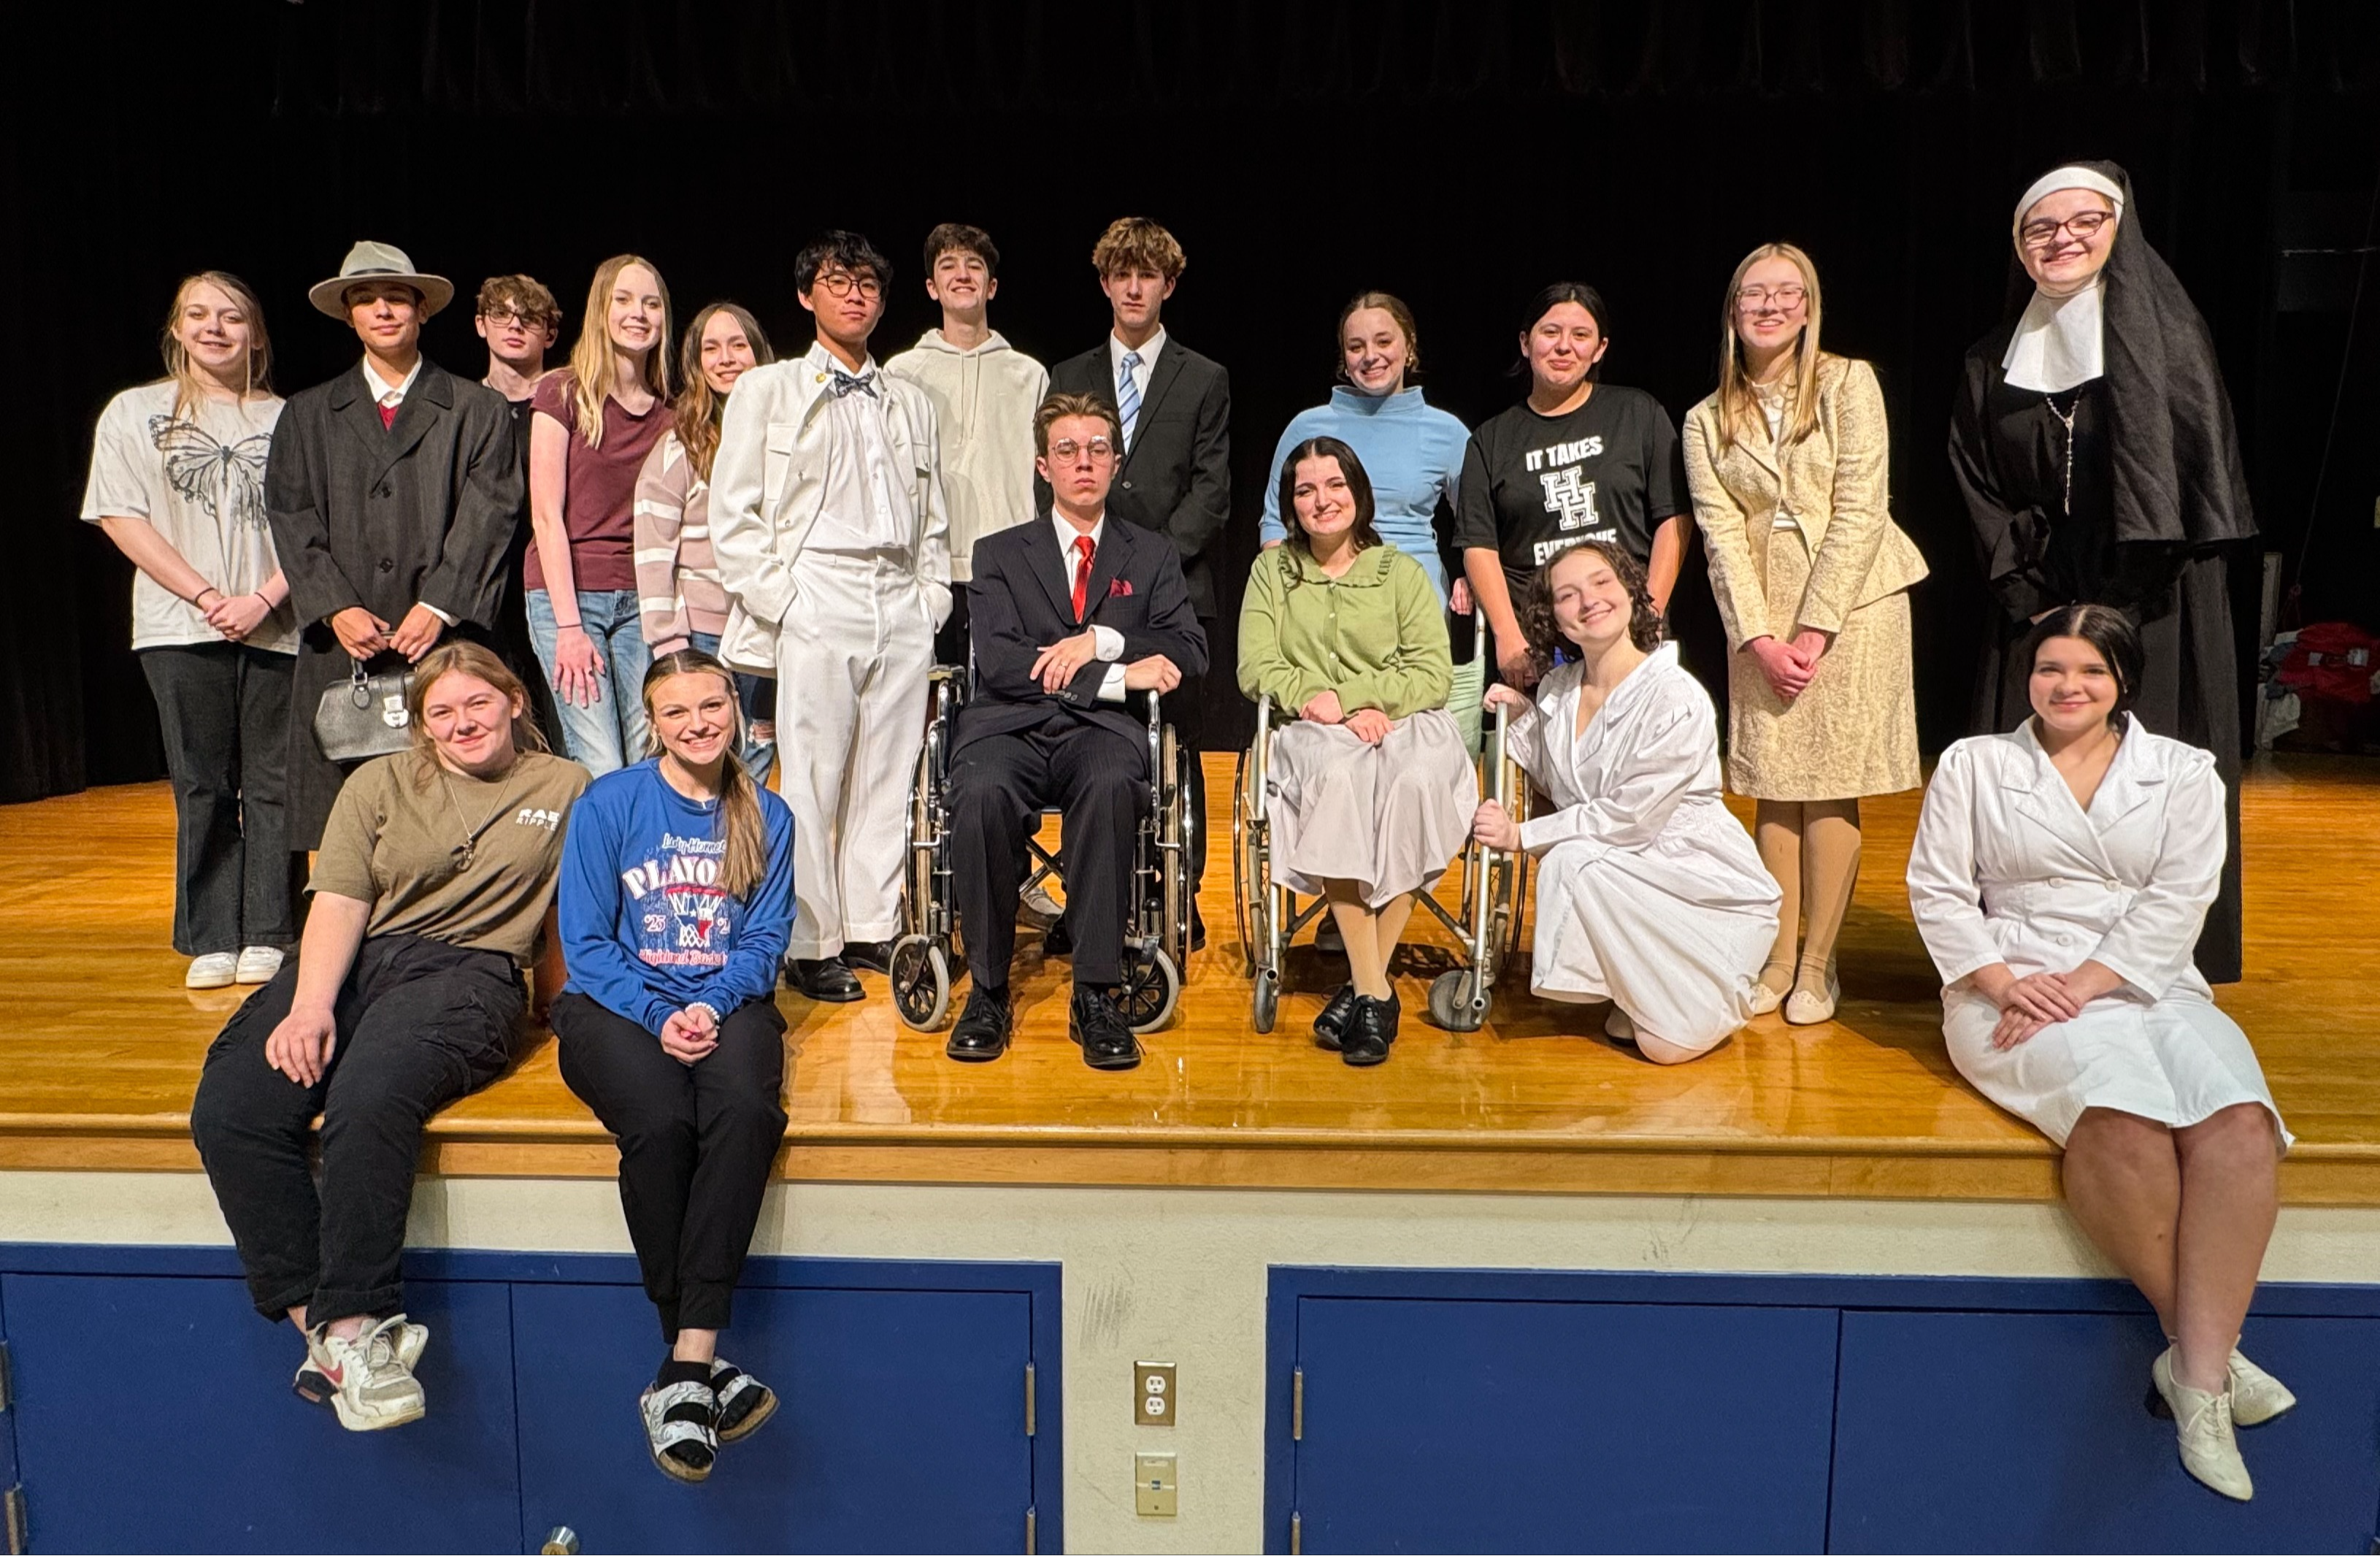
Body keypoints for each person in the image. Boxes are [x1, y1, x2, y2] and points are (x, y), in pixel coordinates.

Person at [1905, 605, 2289, 1502]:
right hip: (2009, 989)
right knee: (2121, 1118)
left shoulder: (2183, 771)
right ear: (2025, 675)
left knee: (2236, 1121)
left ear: (2122, 681)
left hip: (2145, 980)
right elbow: (1937, 890)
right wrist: (2005, 982)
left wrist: (2087, 981)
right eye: (2048, 668)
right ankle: (2209, 1367)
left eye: (2087, 670)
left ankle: (2192, 1369)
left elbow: (2181, 897)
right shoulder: (1973, 764)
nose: (2065, 686)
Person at [189, 643, 587, 1433]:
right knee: (232, 1107)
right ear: (422, 723)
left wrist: (562, 1009)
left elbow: (560, 915)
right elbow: (339, 899)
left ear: (513, 701)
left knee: (370, 1096)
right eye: (441, 711)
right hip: (360, 955)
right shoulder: (377, 782)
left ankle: (352, 1322)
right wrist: (311, 1006)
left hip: (471, 971)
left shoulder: (566, 786)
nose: (461, 722)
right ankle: (334, 1336)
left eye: (477, 704)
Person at [1950, 160, 2255, 985]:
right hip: (2040, 594)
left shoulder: (2166, 337)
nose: (2062, 239)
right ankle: (2015, 948)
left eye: (2084, 221)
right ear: (2018, 249)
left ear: (2117, 232)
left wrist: (2128, 574)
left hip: (2153, 595)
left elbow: (2189, 469)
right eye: (2040, 228)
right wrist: (2031, 587)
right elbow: (1977, 480)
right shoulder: (1991, 361)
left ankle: (2159, 951)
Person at [551, 649, 794, 1482]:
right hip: (614, 1003)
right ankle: (702, 1366)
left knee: (747, 1114)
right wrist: (658, 1012)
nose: (697, 724)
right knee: (659, 1121)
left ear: (733, 707)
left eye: (711, 707)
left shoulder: (766, 811)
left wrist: (711, 1005)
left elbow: (764, 941)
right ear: (651, 721)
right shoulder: (609, 802)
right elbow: (583, 942)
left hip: (726, 1001)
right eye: (676, 712)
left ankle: (685, 1366)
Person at [1682, 243, 1930, 1024]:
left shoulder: (1847, 382)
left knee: (1827, 784)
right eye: (1754, 292)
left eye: (1787, 293)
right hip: (1758, 613)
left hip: (1853, 605)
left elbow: (1860, 505)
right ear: (1731, 309)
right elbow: (1719, 535)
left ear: (1808, 305)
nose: (1770, 305)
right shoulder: (1703, 418)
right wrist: (1757, 637)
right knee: (1773, 790)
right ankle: (1775, 958)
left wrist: (1815, 629)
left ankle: (1818, 968)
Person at [710, 231, 952, 1003]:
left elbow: (934, 518)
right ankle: (810, 941)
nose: (854, 295)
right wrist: (787, 603)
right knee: (811, 777)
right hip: (817, 589)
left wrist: (930, 598)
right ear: (806, 295)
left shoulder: (909, 397)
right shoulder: (768, 389)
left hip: (897, 596)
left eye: (868, 286)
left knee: (888, 773)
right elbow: (733, 514)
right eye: (836, 281)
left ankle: (871, 926)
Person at [942, 394, 1208, 1070]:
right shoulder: (998, 553)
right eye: (1067, 450)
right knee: (979, 792)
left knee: (1115, 780)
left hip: (1101, 735)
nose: (1083, 462)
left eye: (1096, 449)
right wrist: (1118, 675)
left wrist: (1102, 639)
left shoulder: (1149, 553)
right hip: (1009, 725)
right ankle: (989, 989)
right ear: (1043, 465)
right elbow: (1000, 662)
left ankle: (1095, 989)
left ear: (1116, 464)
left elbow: (1189, 648)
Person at [1473, 543, 1780, 1063]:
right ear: (1556, 619)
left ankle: (1702, 985)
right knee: (1578, 864)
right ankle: (1629, 989)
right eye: (1568, 596)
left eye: (1601, 583)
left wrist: (1520, 835)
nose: (1589, 601)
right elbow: (1559, 774)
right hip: (1621, 873)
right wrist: (1525, 714)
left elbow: (1628, 817)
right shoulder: (1559, 690)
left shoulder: (1675, 696)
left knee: (1664, 1044)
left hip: (1687, 879)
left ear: (1630, 593)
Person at [266, 241, 522, 854]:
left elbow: (492, 511)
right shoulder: (308, 414)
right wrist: (335, 606)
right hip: (347, 644)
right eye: (365, 298)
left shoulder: (475, 409)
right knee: (343, 812)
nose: (382, 309)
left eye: (397, 297)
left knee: (454, 799)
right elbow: (291, 513)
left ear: (422, 310)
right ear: (349, 314)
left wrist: (437, 606)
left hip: (443, 637)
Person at [83, 272, 297, 990]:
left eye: (232, 316)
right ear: (177, 330)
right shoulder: (133, 412)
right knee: (202, 782)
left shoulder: (288, 418)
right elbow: (120, 516)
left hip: (277, 623)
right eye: (198, 315)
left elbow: (314, 529)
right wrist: (208, 595)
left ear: (256, 334)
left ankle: (269, 928)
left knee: (272, 782)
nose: (215, 328)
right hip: (180, 624)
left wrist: (264, 598)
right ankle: (212, 931)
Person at [1240, 437, 1475, 1065]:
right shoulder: (1273, 570)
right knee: (1340, 779)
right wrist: (1324, 700)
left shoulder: (1397, 570)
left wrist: (1366, 698)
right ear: (1291, 505)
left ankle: (1363, 986)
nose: (1322, 500)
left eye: (1335, 485)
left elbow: (1433, 672)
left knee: (1417, 782)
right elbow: (1256, 665)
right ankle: (1376, 992)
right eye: (1306, 490)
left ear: (1358, 493)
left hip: (1403, 720)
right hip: (1314, 726)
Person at [1046, 218, 1229, 940]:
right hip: (1080, 589)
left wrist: (1147, 567)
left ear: (1168, 285)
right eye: (1121, 273)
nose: (1132, 286)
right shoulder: (1067, 376)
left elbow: (1212, 491)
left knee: (1175, 751)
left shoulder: (1204, 376)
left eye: (1146, 274)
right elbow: (1056, 485)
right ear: (1103, 282)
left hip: (1175, 589)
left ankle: (1177, 898)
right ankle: (1081, 901)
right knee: (1084, 744)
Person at [1258, 291, 1479, 745]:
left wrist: (1468, 577)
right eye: (1356, 347)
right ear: (1343, 357)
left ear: (1409, 346)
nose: (1370, 356)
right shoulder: (1308, 427)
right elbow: (1275, 525)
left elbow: (1479, 525)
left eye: (1383, 341)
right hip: (1322, 595)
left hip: (1409, 597)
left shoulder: (1447, 432)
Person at [1455, 283, 1690, 690]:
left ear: (1599, 349)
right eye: (1550, 332)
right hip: (1537, 638)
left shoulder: (1637, 413)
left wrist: (1649, 611)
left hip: (1626, 626)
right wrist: (1507, 635)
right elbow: (1479, 544)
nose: (1564, 347)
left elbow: (1674, 518)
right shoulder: (1490, 441)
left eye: (1580, 335)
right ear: (1526, 343)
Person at [526, 256, 675, 778]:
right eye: (625, 300)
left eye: (651, 303)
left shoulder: (669, 412)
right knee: (601, 761)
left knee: (646, 756)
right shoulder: (562, 392)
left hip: (641, 600)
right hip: (570, 597)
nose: (639, 313)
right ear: (601, 310)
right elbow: (545, 514)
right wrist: (569, 626)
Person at [884, 223, 1050, 666]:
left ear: (991, 287)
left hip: (1009, 568)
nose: (962, 274)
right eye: (948, 266)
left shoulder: (1029, 375)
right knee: (932, 701)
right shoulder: (901, 373)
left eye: (974, 266)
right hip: (928, 568)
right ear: (931, 287)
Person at [633, 302, 779, 785]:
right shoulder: (682, 444)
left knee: (759, 753)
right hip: (703, 634)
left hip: (769, 628)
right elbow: (654, 549)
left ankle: (747, 858)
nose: (727, 358)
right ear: (695, 363)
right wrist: (669, 640)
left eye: (739, 345)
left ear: (760, 355)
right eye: (711, 348)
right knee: (705, 762)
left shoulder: (787, 436)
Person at [475, 274, 569, 748]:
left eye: (530, 318)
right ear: (480, 325)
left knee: (563, 712)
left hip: (558, 580)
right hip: (488, 589)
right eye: (502, 315)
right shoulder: (462, 408)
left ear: (549, 334)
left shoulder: (572, 403)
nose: (515, 325)